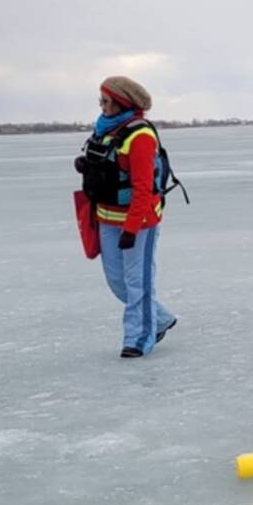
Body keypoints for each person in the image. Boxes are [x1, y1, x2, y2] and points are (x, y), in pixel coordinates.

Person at [76, 76, 178, 359]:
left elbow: (143, 188)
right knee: (117, 282)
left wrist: (132, 229)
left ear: (122, 103)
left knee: (137, 283)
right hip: (106, 218)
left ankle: (139, 338)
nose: (102, 106)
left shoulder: (140, 136)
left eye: (106, 101)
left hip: (139, 221)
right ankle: (160, 318)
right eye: (100, 100)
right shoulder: (105, 129)